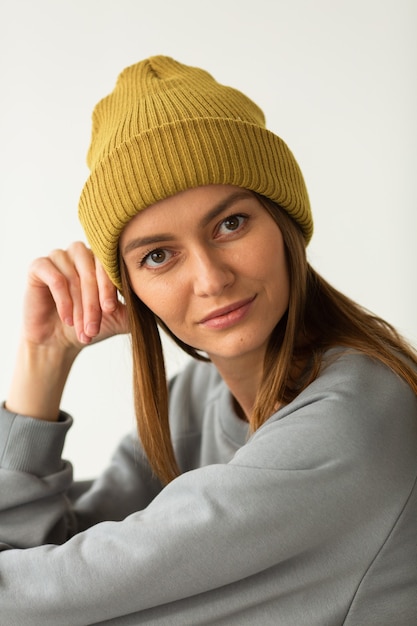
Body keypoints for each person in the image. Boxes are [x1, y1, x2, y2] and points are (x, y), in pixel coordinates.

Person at [0, 55, 416, 626]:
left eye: (230, 224)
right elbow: (43, 556)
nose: (212, 279)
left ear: (284, 222)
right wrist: (42, 361)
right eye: (158, 256)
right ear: (131, 288)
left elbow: (40, 602)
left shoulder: (351, 426)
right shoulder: (195, 398)